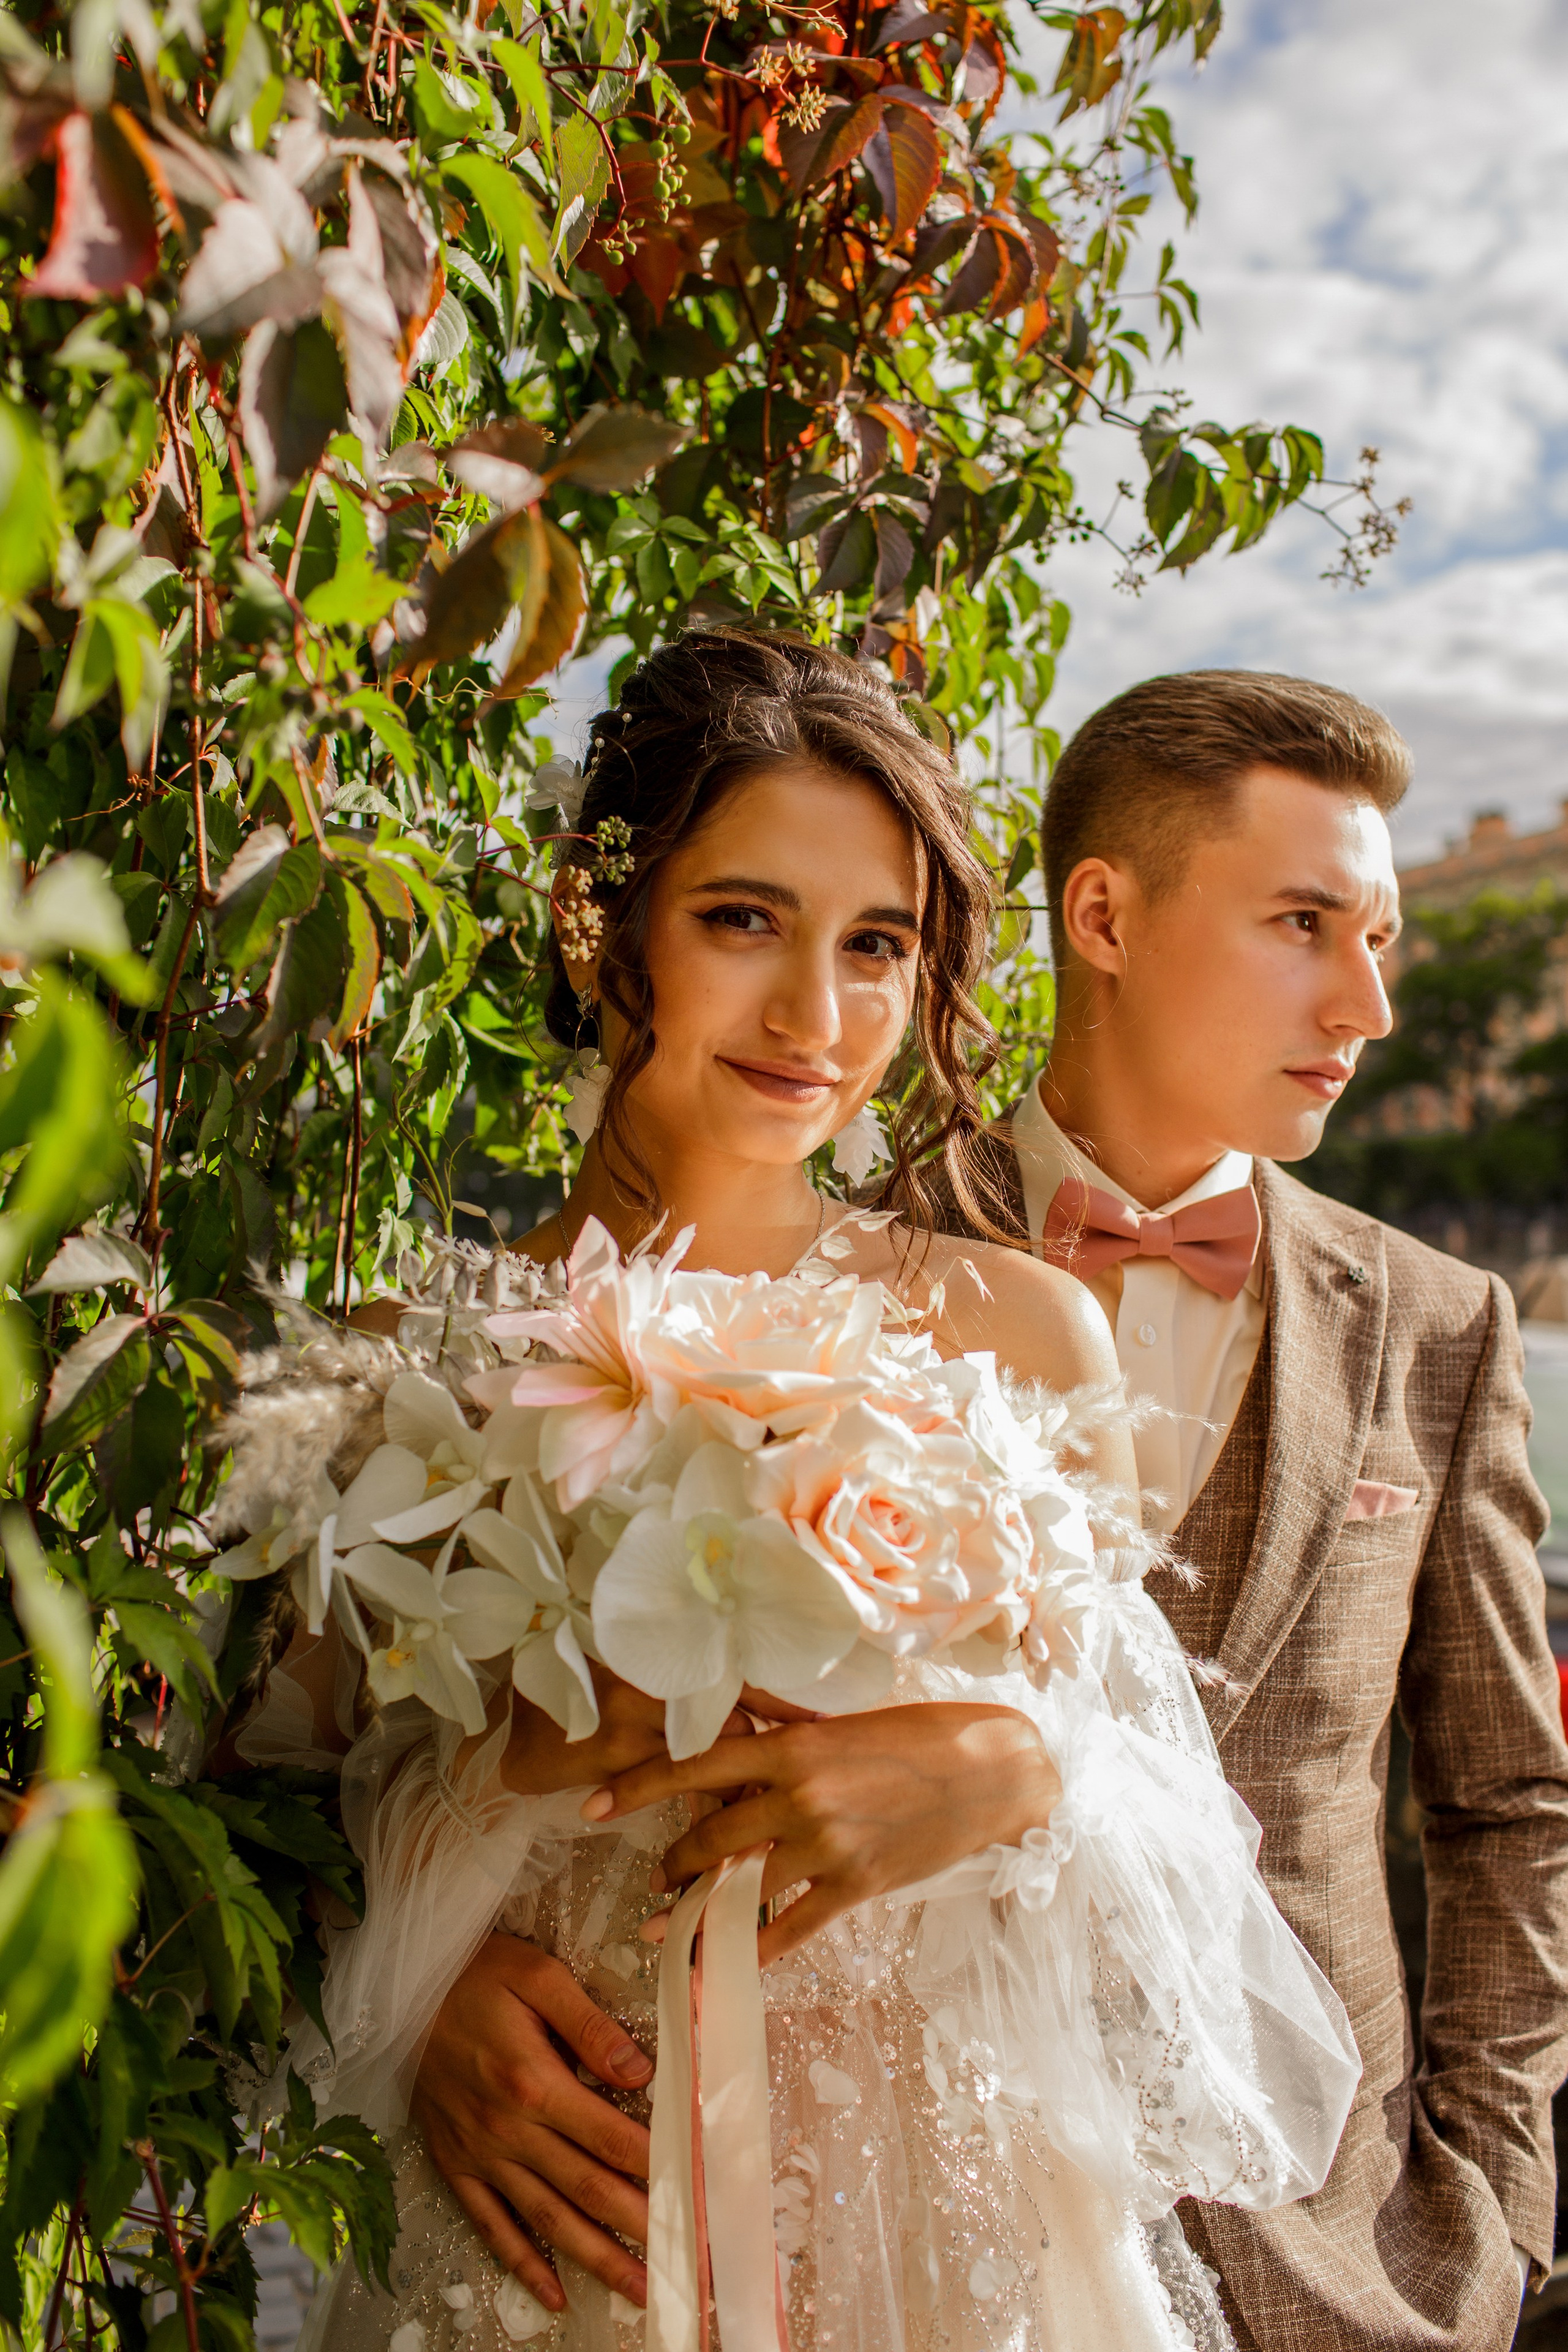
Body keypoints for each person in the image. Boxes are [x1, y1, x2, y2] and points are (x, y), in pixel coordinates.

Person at [242, 634, 1359, 2351]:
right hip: (566, 2230)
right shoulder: (413, 1372)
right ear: (595, 926)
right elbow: (260, 1826)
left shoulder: (1020, 1332)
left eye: (878, 946)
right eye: (743, 919)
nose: (814, 1020)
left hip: (950, 2226)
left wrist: (1022, 1767)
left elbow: (1178, 1861)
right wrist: (418, 1990)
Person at [925, 669, 1568, 2350]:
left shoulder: (1440, 1323)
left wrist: (1490, 2225)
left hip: (1345, 2273)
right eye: (1306, 923)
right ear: (1104, 916)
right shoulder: (851, 1267)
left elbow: (1508, 1802)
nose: (1369, 1003)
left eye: (1383, 939)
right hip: (928, 2241)